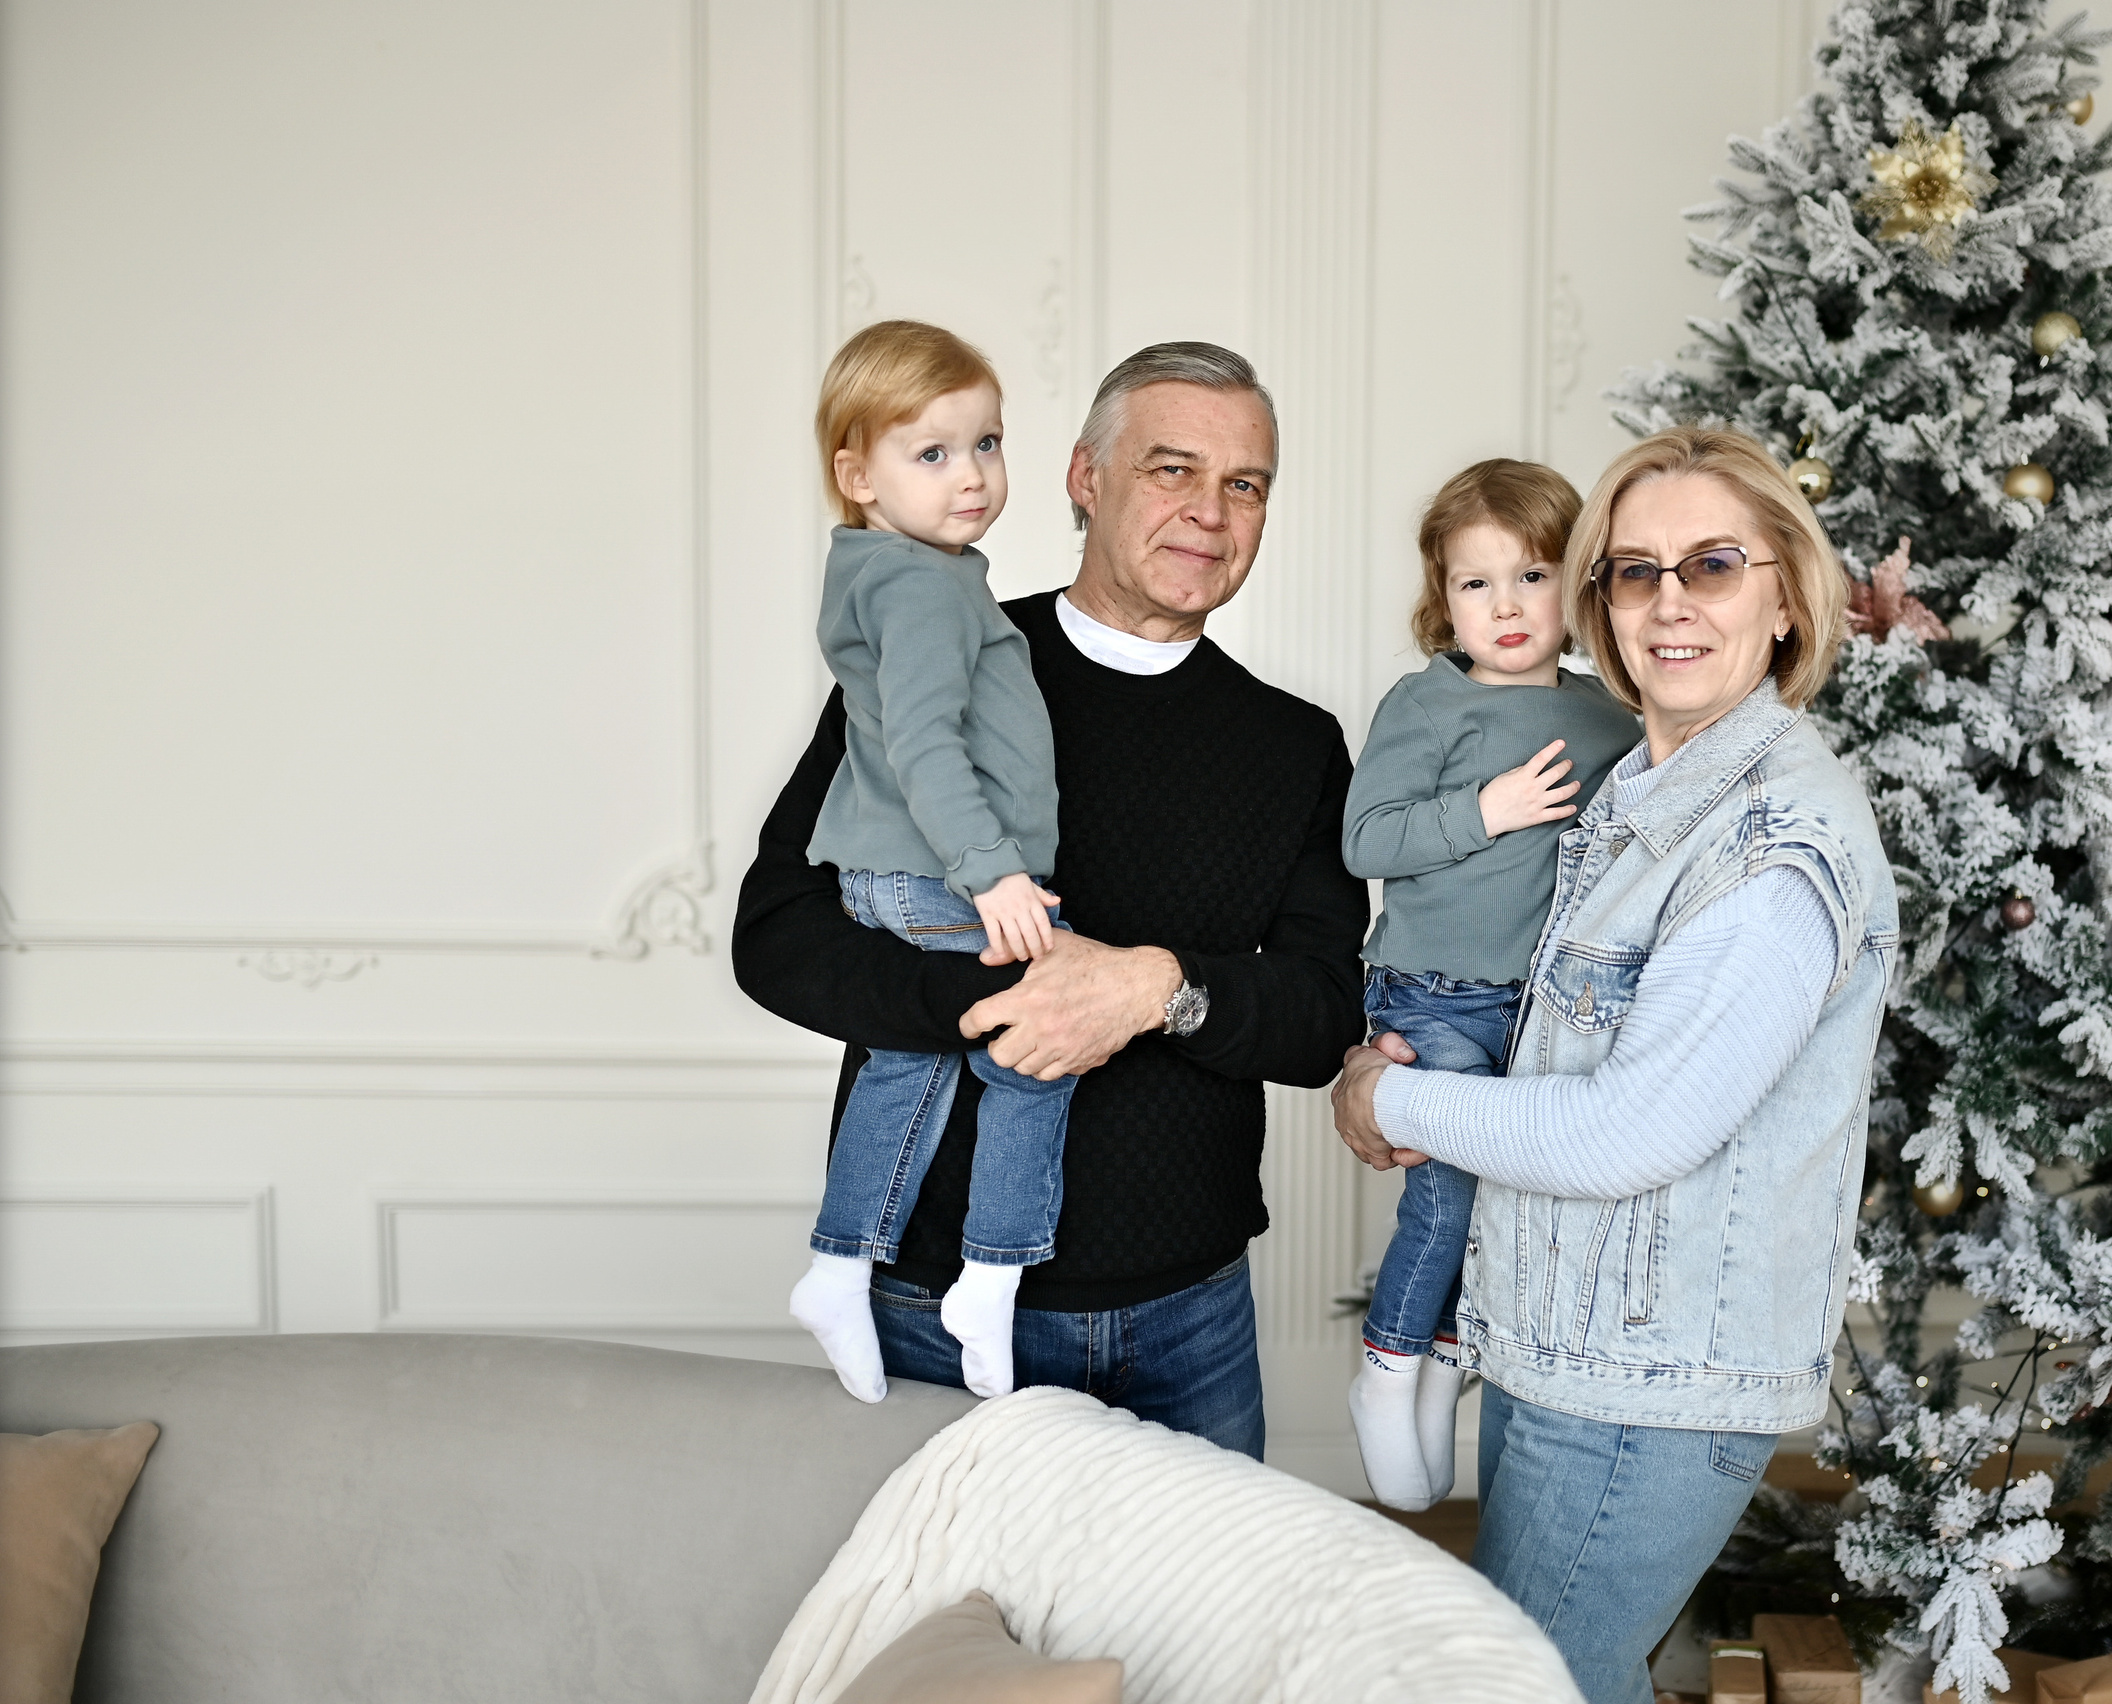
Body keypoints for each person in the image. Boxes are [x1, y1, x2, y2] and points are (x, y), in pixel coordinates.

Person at [1330, 426, 1894, 1704]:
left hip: (1650, 1382)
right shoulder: (1641, 794)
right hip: (1558, 1345)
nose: (1669, 602)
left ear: (1788, 598)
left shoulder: (1768, 845)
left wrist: (1387, 1095)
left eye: (1710, 564)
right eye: (1632, 573)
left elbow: (1632, 1130)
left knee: (1539, 1685)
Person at [735, 342, 1367, 1456]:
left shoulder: (1296, 745)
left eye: (1244, 484)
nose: (1209, 513)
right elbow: (778, 935)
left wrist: (1152, 990)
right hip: (931, 1308)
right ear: (1085, 478)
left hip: (1192, 1316)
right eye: (1171, 469)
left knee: (1192, 1635)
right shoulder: (945, 652)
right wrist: (997, 1006)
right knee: (942, 1631)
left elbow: (1320, 1019)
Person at [1338, 459, 1636, 1511]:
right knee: (1448, 1188)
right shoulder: (1430, 703)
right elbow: (1363, 838)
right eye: (1475, 584)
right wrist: (1487, 810)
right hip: (1431, 991)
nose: (1504, 607)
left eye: (1531, 576)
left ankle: (1442, 1356)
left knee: (1510, 1200)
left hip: (1544, 1010)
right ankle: (1384, 1366)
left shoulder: (1614, 720)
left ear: (1580, 589)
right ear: (1442, 600)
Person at [788, 321, 1075, 1404]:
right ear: (855, 477)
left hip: (915, 868)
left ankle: (840, 1263)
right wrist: (991, 870)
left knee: (914, 1056)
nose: (973, 477)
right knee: (1039, 1046)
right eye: (933, 454)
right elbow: (922, 742)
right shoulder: (915, 586)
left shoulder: (921, 574)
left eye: (987, 444)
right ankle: (987, 1279)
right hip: (933, 870)